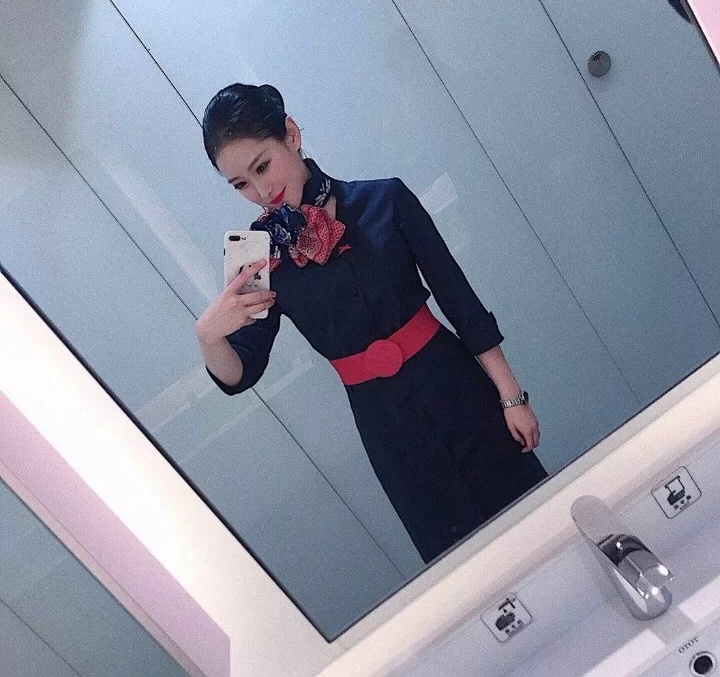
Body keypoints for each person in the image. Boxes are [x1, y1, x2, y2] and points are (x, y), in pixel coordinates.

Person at [195, 83, 548, 563]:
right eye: (240, 185)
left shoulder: (387, 200)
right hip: (388, 429)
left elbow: (461, 302)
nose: (260, 192)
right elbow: (243, 371)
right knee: (463, 564)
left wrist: (511, 396)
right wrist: (208, 335)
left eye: (262, 166)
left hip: (459, 389)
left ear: (291, 135)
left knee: (537, 520)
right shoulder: (259, 258)